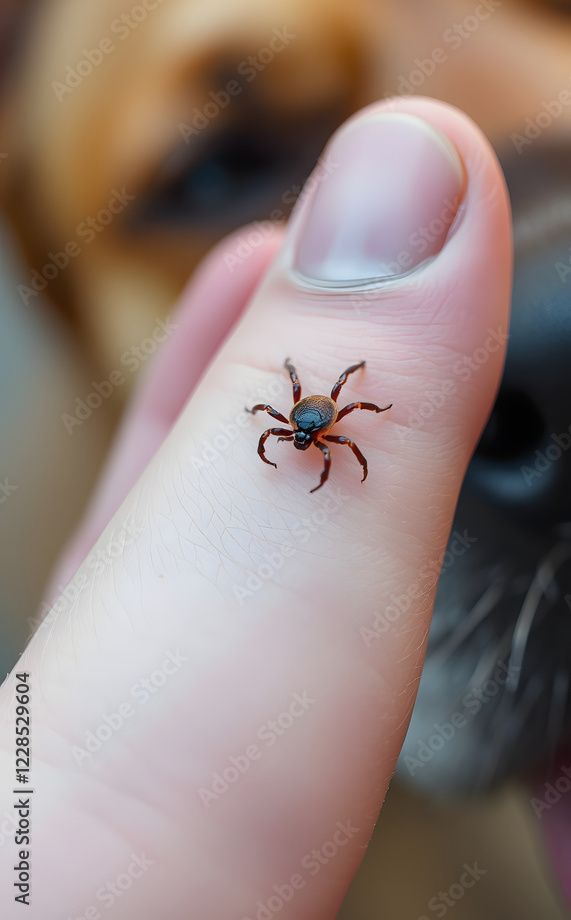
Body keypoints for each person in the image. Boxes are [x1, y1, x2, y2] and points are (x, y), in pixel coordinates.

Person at [0, 98, 513, 917]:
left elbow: (328, 419)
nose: (308, 440)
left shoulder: (327, 421)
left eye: (311, 438)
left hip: (326, 386)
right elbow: (283, 430)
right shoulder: (296, 424)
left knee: (352, 417)